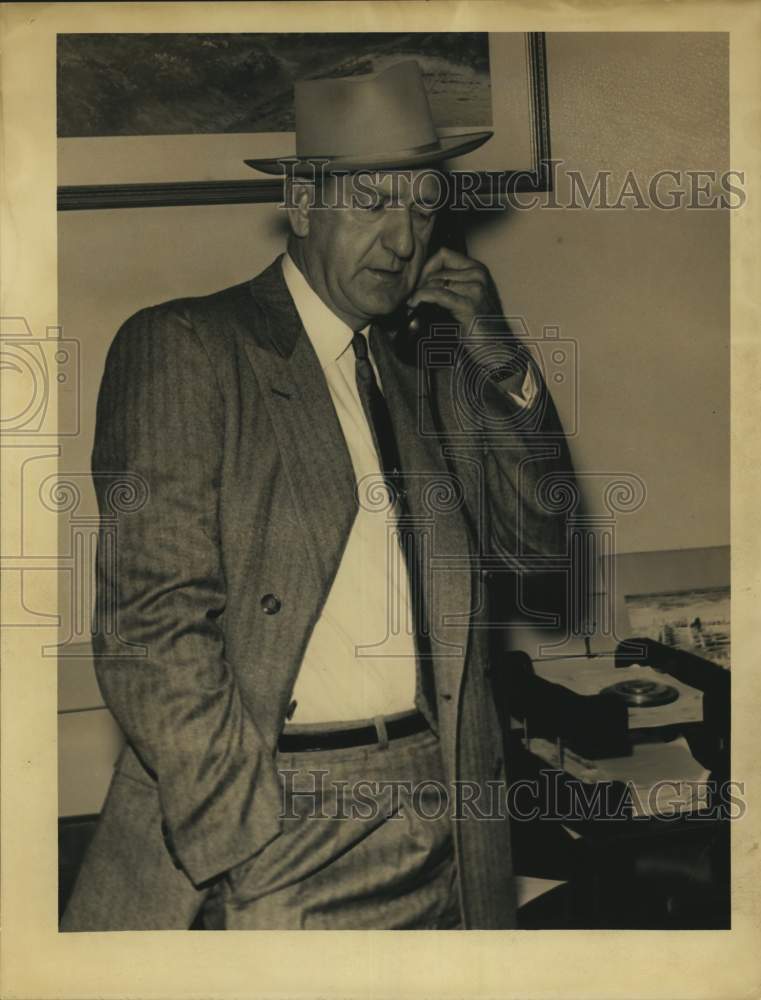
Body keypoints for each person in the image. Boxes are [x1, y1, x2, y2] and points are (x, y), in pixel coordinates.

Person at [61, 60, 573, 931]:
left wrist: (499, 358)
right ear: (301, 203)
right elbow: (150, 631)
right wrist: (243, 842)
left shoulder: (431, 362)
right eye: (372, 202)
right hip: (278, 828)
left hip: (447, 811)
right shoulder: (187, 347)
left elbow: (540, 546)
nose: (405, 240)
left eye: (421, 203)